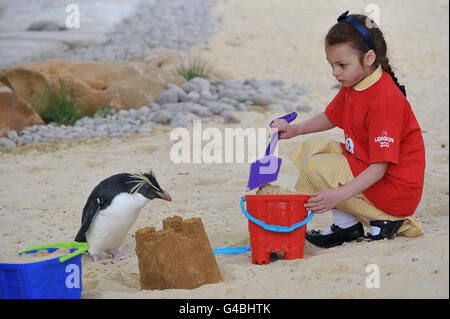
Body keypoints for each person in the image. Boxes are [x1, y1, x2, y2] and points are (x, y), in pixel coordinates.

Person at [270, 11, 425, 248]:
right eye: (331, 64)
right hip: (372, 170)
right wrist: (295, 129)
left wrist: (337, 197)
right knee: (311, 151)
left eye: (342, 64)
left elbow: (379, 168)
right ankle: (347, 228)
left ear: (369, 58)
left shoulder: (384, 100)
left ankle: (384, 220)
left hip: (394, 192)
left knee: (319, 166)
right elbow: (333, 116)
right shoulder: (357, 82)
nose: (335, 72)